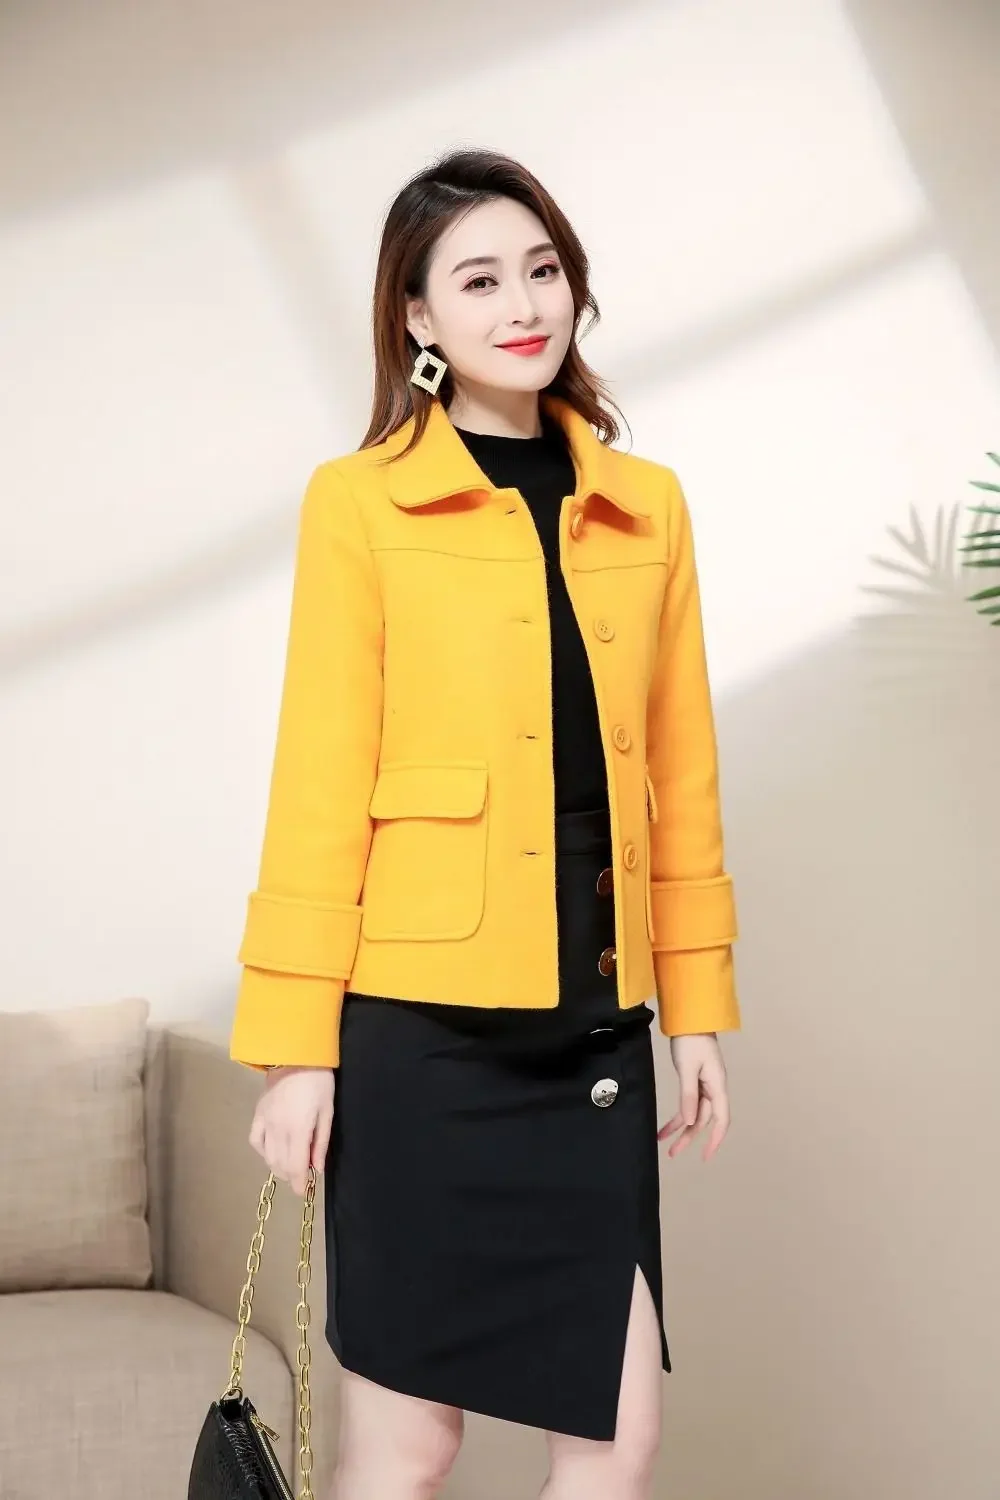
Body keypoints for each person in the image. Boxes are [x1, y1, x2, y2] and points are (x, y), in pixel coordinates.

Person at [229, 147, 741, 1500]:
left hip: (593, 1030)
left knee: (617, 1442)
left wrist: (694, 1010)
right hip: (419, 1042)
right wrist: (296, 1052)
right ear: (416, 314)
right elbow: (318, 778)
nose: (523, 304)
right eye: (479, 280)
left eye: (543, 269)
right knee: (409, 1448)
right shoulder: (360, 501)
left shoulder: (647, 503)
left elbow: (680, 773)